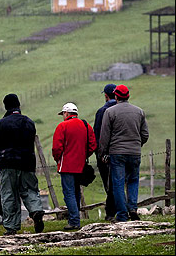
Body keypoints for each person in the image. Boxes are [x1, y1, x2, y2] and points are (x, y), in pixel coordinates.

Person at [0, 94, 45, 235]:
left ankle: (11, 227)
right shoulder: (29, 122)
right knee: (29, 190)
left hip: (8, 162)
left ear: (6, 106)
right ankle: (35, 211)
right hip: (27, 162)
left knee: (9, 194)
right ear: (18, 105)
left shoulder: (1, 124)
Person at [98, 84, 149, 222]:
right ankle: (132, 208)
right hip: (134, 152)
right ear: (128, 96)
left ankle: (121, 215)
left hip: (117, 153)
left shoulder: (110, 112)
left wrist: (102, 153)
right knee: (133, 180)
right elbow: (145, 134)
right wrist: (137, 144)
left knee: (118, 183)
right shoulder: (139, 112)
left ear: (116, 96)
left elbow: (104, 136)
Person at [52, 102, 97, 230]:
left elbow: (57, 148)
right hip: (81, 165)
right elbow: (93, 145)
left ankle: (74, 220)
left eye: (63, 114)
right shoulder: (85, 125)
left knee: (69, 193)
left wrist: (58, 159)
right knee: (76, 191)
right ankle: (75, 218)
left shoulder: (62, 126)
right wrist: (83, 154)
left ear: (66, 113)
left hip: (66, 165)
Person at [94, 84, 117, 221]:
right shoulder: (125, 109)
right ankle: (121, 209)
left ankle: (111, 212)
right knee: (118, 182)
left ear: (106, 96)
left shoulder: (102, 111)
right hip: (123, 151)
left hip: (105, 153)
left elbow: (97, 133)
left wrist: (99, 153)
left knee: (109, 184)